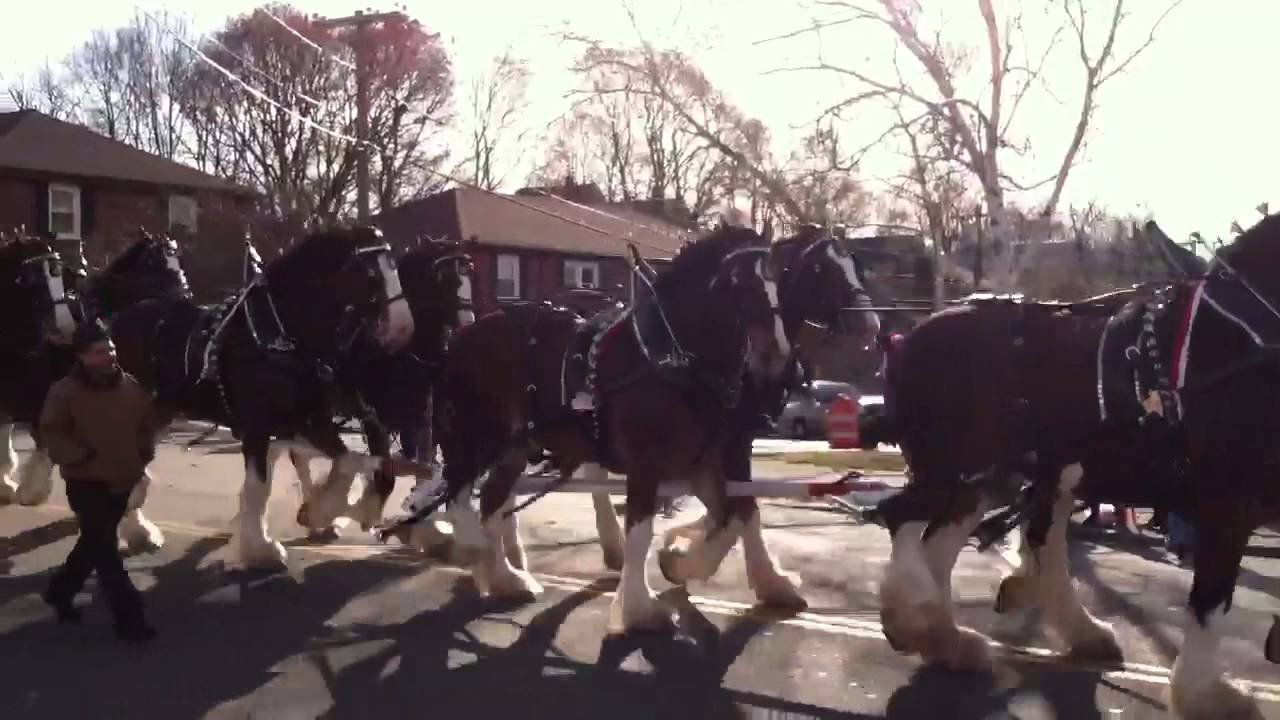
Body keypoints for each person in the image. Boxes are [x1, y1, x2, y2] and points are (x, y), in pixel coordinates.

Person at [40, 320, 162, 644]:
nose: (109, 354)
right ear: (82, 357)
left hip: (122, 480)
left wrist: (143, 454)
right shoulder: (64, 392)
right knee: (107, 555)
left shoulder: (130, 386)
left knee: (93, 544)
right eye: (99, 351)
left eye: (110, 347)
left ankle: (59, 591)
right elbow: (51, 431)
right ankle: (131, 621)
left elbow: (147, 425)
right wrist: (79, 456)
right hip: (86, 482)